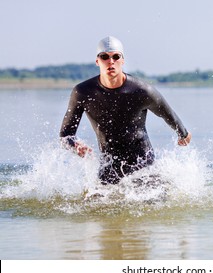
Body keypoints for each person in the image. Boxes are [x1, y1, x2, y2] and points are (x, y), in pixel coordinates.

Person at [60, 36, 192, 184]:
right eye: (105, 57)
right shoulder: (83, 92)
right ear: (97, 61)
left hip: (143, 166)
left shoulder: (142, 90)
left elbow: (168, 114)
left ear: (123, 61)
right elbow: (66, 136)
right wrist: (74, 146)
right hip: (109, 167)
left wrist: (183, 133)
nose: (111, 61)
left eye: (116, 57)